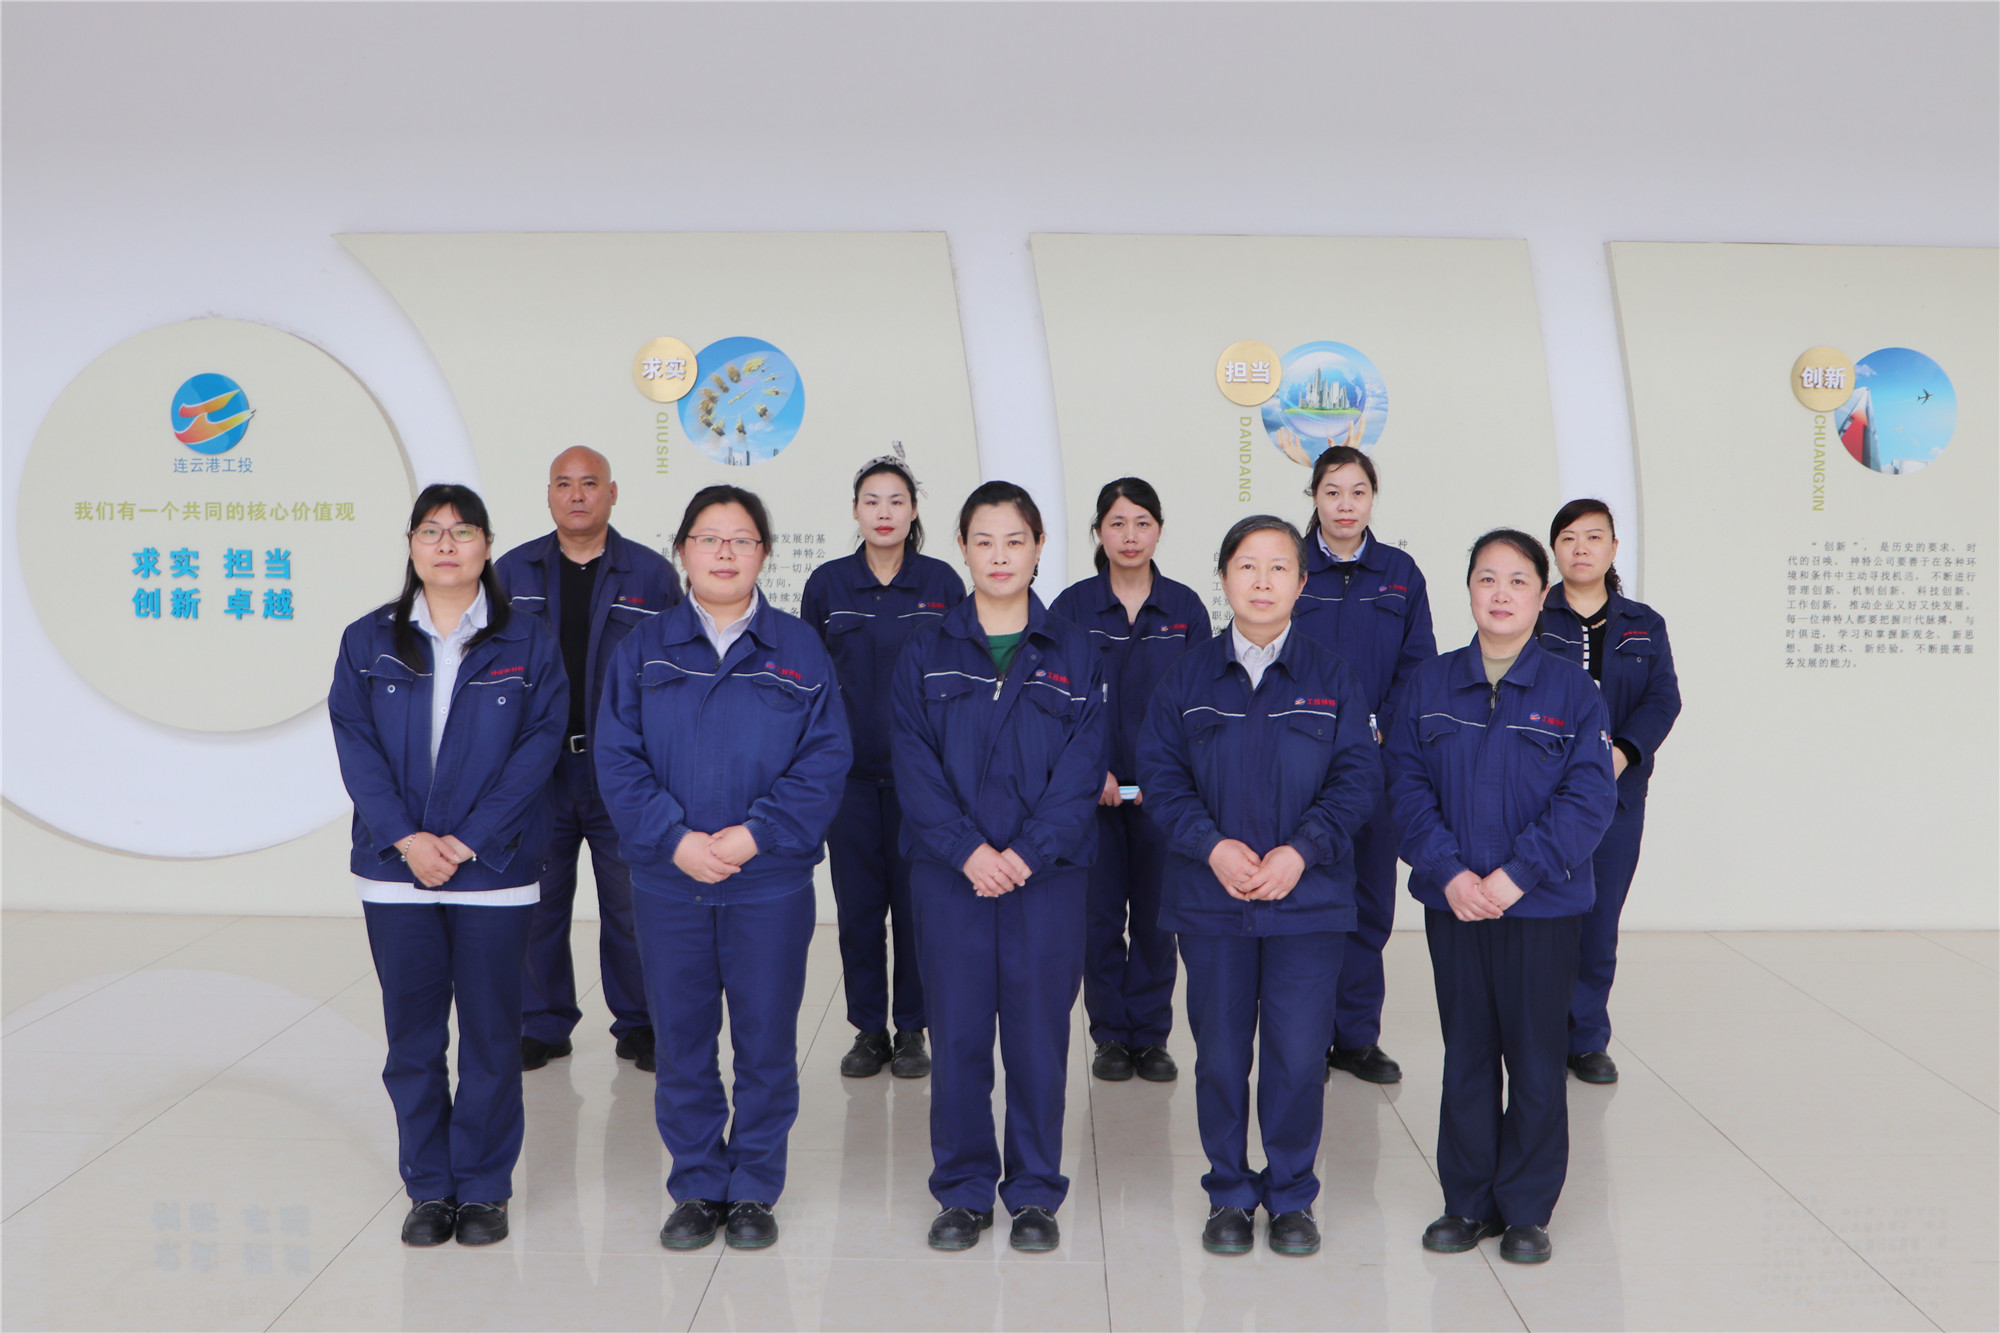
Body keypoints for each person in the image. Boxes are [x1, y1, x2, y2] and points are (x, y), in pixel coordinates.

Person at [594, 485, 852, 1252]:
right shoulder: (644, 648)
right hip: (668, 879)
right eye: (709, 538)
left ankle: (754, 1187)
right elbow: (617, 756)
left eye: (741, 539)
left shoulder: (798, 648)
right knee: (682, 1040)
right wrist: (675, 839)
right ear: (683, 551)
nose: (725, 553)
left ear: (764, 553)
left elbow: (825, 757)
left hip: (767, 881)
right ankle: (698, 1183)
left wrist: (753, 835)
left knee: (766, 1040)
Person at [329, 483, 567, 1248]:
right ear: (410, 544)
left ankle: (485, 1187)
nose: (446, 544)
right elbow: (356, 749)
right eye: (430, 531)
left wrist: (463, 842)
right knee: (413, 1039)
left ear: (487, 545)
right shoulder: (368, 640)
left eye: (462, 531)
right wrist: (408, 839)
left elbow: (538, 748)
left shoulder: (527, 639)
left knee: (493, 1037)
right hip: (395, 870)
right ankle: (430, 1186)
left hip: (493, 869)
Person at [1136, 515, 1381, 1258]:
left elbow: (1357, 778)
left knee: (1299, 1056)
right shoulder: (1187, 678)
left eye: (1279, 567)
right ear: (1224, 579)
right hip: (1212, 901)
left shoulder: (1333, 678)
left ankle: (1292, 1193)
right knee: (1218, 1056)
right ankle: (1228, 1192)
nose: (1263, 581)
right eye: (1248, 566)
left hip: (1307, 902)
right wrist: (1212, 847)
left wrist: (1301, 853)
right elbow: (1160, 776)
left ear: (1302, 583)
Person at [1387, 529, 1617, 1265]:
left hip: (1540, 906)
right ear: (1469, 590)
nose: (1501, 593)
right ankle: (1467, 1201)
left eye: (1518, 580)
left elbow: (1589, 798)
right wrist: (1450, 873)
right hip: (1454, 902)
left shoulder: (1573, 692)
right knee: (1467, 1051)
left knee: (1537, 1056)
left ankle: (1526, 1209)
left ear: (1542, 596)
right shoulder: (1429, 685)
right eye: (1487, 578)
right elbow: (1403, 787)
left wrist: (1519, 874)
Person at [890, 480, 1107, 1254]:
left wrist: (1023, 854)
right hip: (950, 878)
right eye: (984, 541)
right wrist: (969, 851)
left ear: (1040, 546)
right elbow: (913, 765)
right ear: (962, 548)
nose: (1000, 555)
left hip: (1046, 881)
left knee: (1039, 1039)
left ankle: (1036, 1191)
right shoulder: (926, 651)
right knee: (955, 1037)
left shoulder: (1075, 651)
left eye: (1015, 540)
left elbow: (1083, 770)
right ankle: (963, 1190)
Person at [496, 446, 681, 1075]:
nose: (577, 495)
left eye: (590, 483)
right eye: (564, 484)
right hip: (538, 773)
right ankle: (541, 1024)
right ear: (549, 494)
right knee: (538, 902)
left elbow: (672, 678)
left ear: (613, 492)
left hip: (622, 772)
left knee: (630, 905)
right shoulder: (511, 573)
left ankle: (641, 1024)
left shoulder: (651, 575)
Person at [801, 455, 964, 1080]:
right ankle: (869, 1029)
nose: (884, 513)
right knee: (859, 910)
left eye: (896, 501)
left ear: (914, 510)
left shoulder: (942, 584)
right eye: (872, 501)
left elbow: (961, 677)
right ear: (855, 510)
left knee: (917, 909)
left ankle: (913, 1029)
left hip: (923, 782)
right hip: (847, 780)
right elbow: (808, 686)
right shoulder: (828, 585)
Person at [1050, 477, 1211, 1084]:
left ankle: (1150, 1035)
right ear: (1099, 532)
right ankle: (1110, 1036)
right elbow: (1055, 701)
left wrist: (1166, 778)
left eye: (1142, 522)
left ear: (1159, 530)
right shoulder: (1071, 608)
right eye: (1117, 523)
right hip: (1090, 796)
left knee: (1155, 917)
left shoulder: (1185, 610)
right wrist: (1092, 769)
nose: (1130, 535)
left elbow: (1202, 705)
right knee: (1097, 918)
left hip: (1163, 798)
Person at [1288, 445, 1436, 1087]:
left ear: (1373, 498)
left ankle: (1355, 1037)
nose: (1345, 505)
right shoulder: (1288, 566)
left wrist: (1382, 727)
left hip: (1375, 765)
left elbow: (1418, 666)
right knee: (1306, 901)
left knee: (1369, 903)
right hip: (1299, 764)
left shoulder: (1400, 573)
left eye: (1357, 492)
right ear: (1314, 498)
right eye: (1332, 492)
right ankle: (1304, 1038)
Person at [1535, 500, 1681, 1085]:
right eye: (1568, 537)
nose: (1581, 548)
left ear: (1614, 549)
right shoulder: (1531, 614)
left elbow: (1663, 699)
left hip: (1617, 798)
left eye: (1594, 537)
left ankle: (1587, 1038)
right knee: (1542, 918)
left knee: (1598, 922)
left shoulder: (1644, 623)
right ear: (1554, 549)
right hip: (1540, 797)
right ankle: (1536, 1033)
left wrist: (1622, 752)